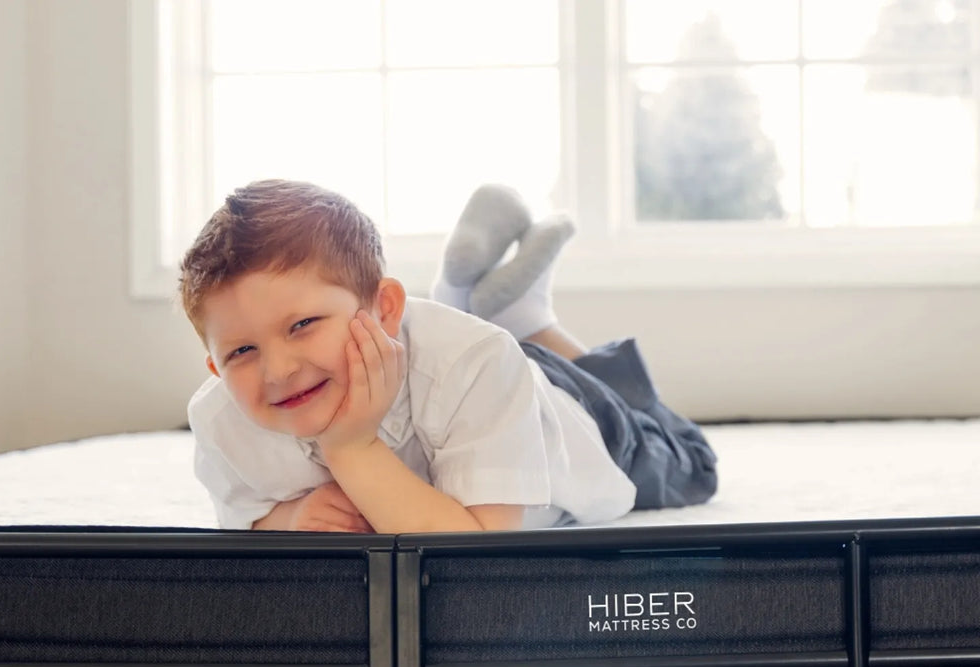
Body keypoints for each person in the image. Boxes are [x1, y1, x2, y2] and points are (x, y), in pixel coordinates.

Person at [180, 180, 717, 533]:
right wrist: (290, 518)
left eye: (303, 325)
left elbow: (475, 549)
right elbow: (239, 512)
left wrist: (351, 447)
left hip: (560, 409)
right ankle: (485, 305)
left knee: (692, 465)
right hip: (464, 362)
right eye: (242, 351)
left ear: (384, 308)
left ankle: (531, 321)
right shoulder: (219, 419)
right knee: (481, 343)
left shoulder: (475, 364)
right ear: (215, 369)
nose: (278, 370)